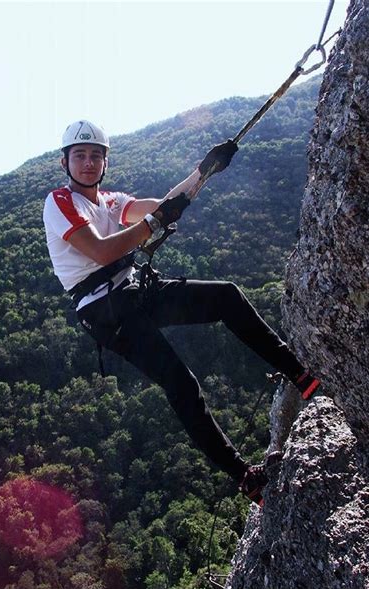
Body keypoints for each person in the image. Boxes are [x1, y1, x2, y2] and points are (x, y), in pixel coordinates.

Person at [43, 120, 321, 505]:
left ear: (105, 162)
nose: (88, 163)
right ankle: (246, 478)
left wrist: (203, 170)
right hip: (107, 312)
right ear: (65, 163)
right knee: (182, 384)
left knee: (226, 296)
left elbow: (162, 206)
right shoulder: (59, 202)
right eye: (80, 156)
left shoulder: (108, 200)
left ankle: (301, 375)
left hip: (135, 288)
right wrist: (155, 222)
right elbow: (103, 251)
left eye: (95, 155)